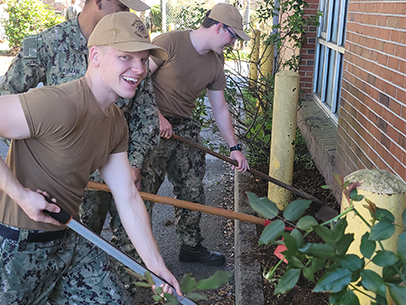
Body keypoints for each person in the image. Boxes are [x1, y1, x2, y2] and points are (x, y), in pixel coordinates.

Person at [0, 12, 181, 304]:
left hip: (68, 239)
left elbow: (128, 197)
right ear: (95, 55)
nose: (139, 69)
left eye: (143, 59)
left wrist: (156, 266)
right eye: (126, 57)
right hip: (17, 246)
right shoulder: (61, 104)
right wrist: (20, 194)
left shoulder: (115, 122)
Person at [143, 3, 250, 266]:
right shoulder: (169, 42)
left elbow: (220, 108)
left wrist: (234, 147)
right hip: (151, 128)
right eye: (232, 36)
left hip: (185, 130)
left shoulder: (215, 64)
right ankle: (137, 251)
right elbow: (137, 79)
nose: (233, 44)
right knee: (144, 191)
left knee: (192, 190)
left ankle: (190, 246)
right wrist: (156, 116)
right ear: (218, 27)